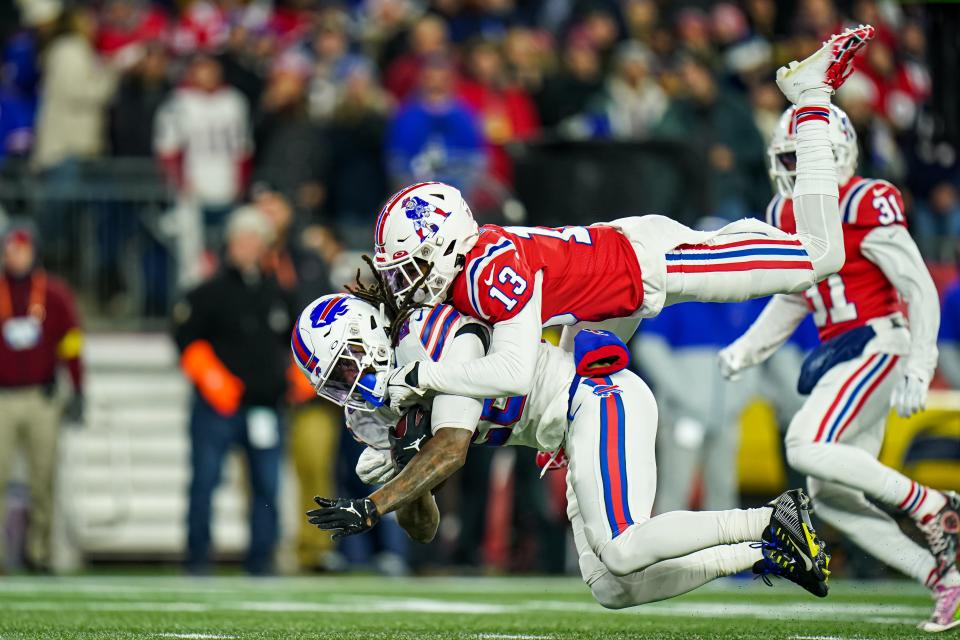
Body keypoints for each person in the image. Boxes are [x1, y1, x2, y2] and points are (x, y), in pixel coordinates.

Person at [373, 27, 873, 410]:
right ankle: (753, 236)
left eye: (413, 264)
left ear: (444, 243)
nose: (409, 280)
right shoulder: (484, 262)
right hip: (634, 262)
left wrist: (422, 378)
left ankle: (811, 99)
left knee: (821, 255)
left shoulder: (486, 274)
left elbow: (514, 370)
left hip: (656, 262)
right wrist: (573, 404)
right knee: (749, 254)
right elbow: (584, 301)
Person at [291, 293, 830, 605]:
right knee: (611, 588)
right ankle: (767, 552)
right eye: (332, 380)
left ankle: (766, 519)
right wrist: (404, 471)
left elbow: (453, 449)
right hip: (568, 435)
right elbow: (424, 527)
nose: (347, 384)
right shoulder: (374, 408)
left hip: (596, 398)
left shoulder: (431, 337)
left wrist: (373, 501)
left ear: (369, 333)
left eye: (345, 363)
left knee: (621, 546)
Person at [718, 103, 960, 633]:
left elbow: (919, 286)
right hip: (846, 354)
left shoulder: (865, 200)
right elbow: (795, 298)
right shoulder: (785, 214)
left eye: (808, 159)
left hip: (878, 344)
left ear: (839, 157)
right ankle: (944, 578)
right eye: (790, 158)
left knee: (802, 443)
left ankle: (933, 505)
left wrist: (921, 364)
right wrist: (747, 348)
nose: (799, 171)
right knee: (829, 493)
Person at [172, 206, 293, 575]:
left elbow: (298, 344)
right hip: (217, 408)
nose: (244, 246)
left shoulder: (280, 293)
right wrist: (213, 382)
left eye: (252, 239)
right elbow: (185, 340)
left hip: (265, 406)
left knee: (267, 489)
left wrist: (290, 384)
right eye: (239, 239)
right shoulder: (206, 293)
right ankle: (197, 561)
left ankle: (261, 561)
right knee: (205, 483)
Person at [0, 223, 83, 573]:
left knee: (43, 478)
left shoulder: (54, 293)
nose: (16, 255)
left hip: (41, 396)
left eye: (22, 248)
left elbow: (72, 342)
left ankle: (40, 552)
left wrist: (78, 387)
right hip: (2, 398)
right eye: (11, 249)